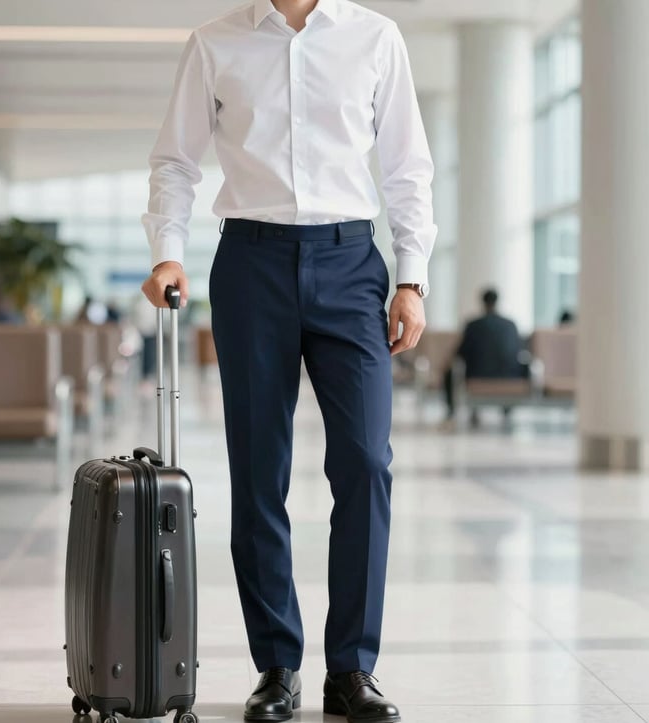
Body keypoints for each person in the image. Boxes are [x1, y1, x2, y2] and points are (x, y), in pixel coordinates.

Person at [141, 1, 436, 722]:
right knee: (257, 468)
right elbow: (175, 160)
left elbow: (405, 166)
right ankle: (277, 665)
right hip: (250, 263)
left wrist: (411, 276)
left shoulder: (375, 37)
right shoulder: (215, 43)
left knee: (366, 461)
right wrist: (167, 253)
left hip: (349, 262)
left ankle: (352, 668)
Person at [443, 288, 525, 427]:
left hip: (477, 375)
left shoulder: (473, 325)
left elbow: (461, 353)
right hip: (508, 376)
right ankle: (506, 408)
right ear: (497, 301)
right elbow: (519, 351)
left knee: (450, 372)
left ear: (483, 302)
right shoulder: (510, 325)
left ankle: (452, 411)